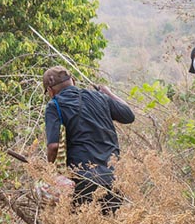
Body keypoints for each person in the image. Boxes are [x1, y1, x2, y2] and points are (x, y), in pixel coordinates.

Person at [43, 66, 135, 213]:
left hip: (83, 179)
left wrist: (49, 172)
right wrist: (108, 93)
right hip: (113, 176)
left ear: (50, 91)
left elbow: (53, 146)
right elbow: (128, 116)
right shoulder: (101, 97)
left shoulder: (54, 106)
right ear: (73, 81)